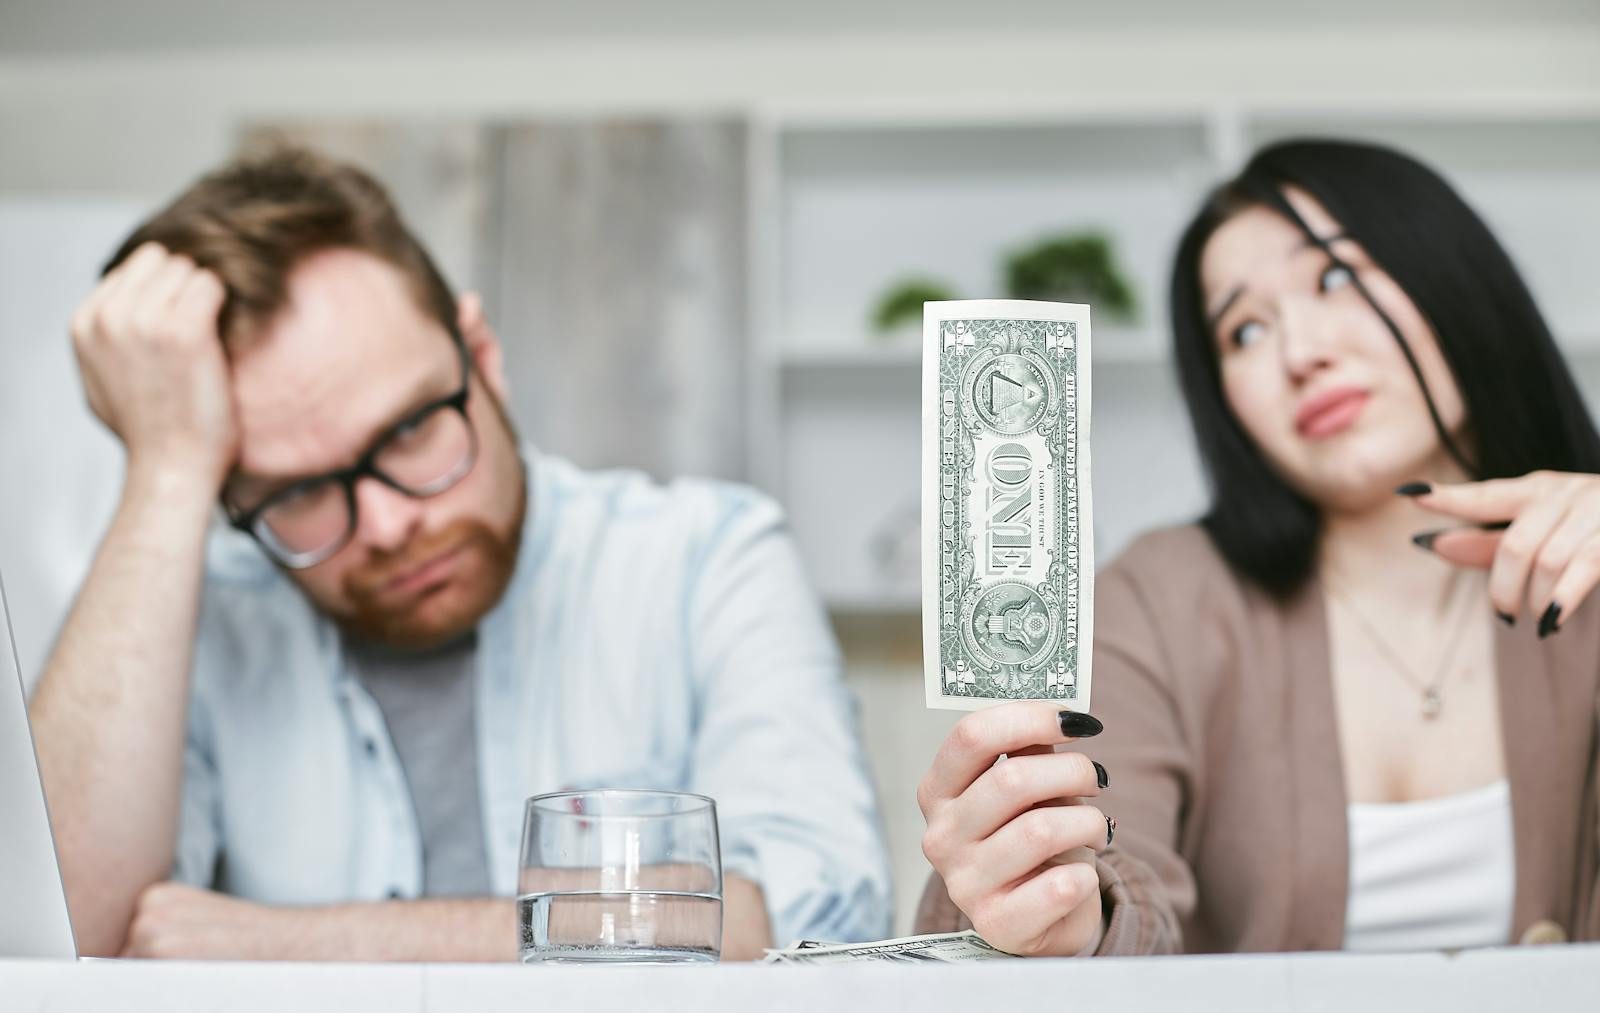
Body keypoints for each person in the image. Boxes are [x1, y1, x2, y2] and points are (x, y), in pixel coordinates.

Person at [28, 147, 890, 961]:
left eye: (407, 431)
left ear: (481, 357)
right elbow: (58, 937)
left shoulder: (707, 559)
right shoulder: (205, 619)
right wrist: (168, 470)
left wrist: (296, 943)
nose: (386, 524)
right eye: (297, 492)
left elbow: (815, 920)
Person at [914, 138, 1600, 956]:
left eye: (1337, 277)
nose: (1299, 353)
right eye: (1243, 331)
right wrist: (1065, 913)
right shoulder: (1158, 599)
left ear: (1453, 274)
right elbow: (1110, 872)